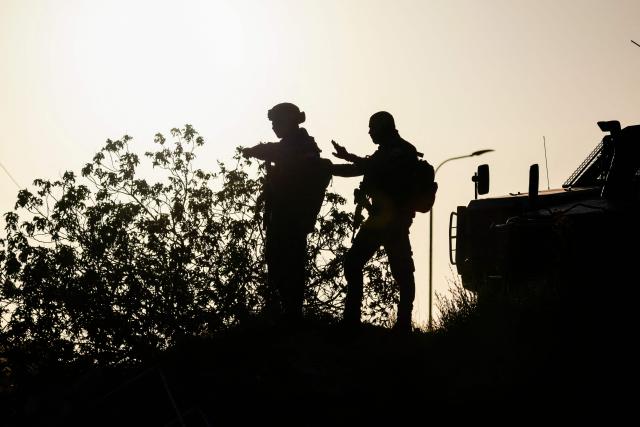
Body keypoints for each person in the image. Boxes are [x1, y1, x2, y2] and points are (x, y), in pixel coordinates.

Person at [331, 111, 422, 332]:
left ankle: (402, 324)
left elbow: (370, 167)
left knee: (402, 274)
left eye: (373, 127)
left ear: (384, 127)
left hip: (393, 222)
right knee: (355, 263)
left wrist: (343, 161)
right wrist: (337, 163)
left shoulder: (400, 151)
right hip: (380, 219)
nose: (369, 132)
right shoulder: (387, 151)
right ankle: (353, 319)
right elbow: (367, 167)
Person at [242, 102, 330, 325]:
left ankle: (292, 314)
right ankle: (283, 311)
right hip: (280, 213)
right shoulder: (291, 145)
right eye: (272, 123)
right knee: (276, 261)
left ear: (289, 121)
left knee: (291, 263)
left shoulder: (303, 145)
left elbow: (279, 153)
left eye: (277, 122)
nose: (274, 127)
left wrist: (256, 150)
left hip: (293, 216)